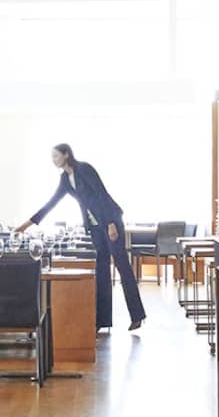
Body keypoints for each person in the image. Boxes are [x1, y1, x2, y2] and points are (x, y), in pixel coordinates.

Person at [17, 142, 145, 334]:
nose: (53, 160)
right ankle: (102, 321)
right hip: (94, 228)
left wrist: (110, 223)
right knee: (101, 270)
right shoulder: (65, 180)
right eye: (52, 157)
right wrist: (25, 225)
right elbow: (50, 203)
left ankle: (137, 315)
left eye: (56, 156)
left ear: (66, 154)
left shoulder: (85, 169)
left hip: (110, 222)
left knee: (122, 267)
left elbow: (102, 194)